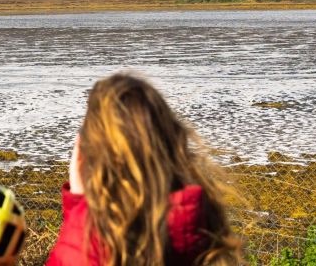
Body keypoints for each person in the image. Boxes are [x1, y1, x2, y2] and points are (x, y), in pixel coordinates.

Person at [45, 73, 240, 266]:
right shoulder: (202, 226)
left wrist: (79, 210)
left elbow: (82, 253)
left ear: (88, 153)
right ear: (172, 143)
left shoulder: (85, 246)